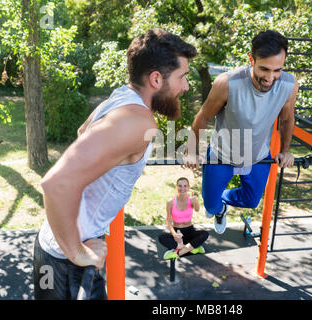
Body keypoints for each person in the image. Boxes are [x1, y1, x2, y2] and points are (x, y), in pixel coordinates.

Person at [33, 29, 197, 300]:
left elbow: (81, 133)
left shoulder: (121, 97)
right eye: (182, 77)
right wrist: (78, 251)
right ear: (157, 79)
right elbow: (55, 183)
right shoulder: (137, 122)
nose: (186, 87)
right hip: (67, 261)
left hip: (62, 249)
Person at [184, 30, 298, 234]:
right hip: (222, 154)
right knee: (210, 206)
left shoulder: (289, 84)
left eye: (277, 70)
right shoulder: (228, 83)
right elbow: (203, 116)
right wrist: (192, 150)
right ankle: (219, 209)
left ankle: (224, 199)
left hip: (257, 156)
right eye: (264, 69)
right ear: (251, 59)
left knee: (252, 201)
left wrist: (286, 150)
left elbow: (287, 118)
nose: (270, 77)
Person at [158, 177, 208, 260]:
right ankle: (192, 248)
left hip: (190, 231)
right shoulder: (170, 202)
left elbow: (197, 209)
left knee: (204, 234)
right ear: (176, 187)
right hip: (178, 234)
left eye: (185, 186)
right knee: (161, 237)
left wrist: (196, 201)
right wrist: (174, 235)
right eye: (180, 186)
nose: (182, 188)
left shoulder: (191, 200)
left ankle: (178, 252)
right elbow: (168, 220)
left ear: (188, 188)